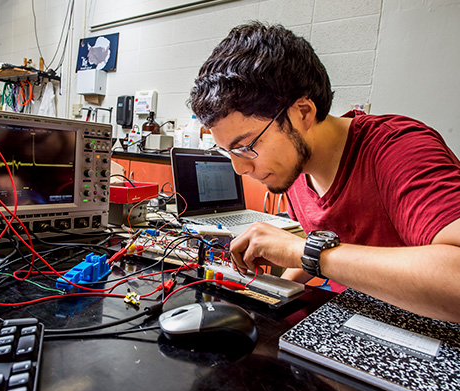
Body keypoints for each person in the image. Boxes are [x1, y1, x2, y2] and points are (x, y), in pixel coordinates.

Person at [188, 21, 460, 322]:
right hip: (358, 319)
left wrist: (305, 250)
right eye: (229, 152)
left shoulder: (399, 149)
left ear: (302, 112)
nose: (240, 168)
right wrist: (275, 290)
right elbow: (327, 245)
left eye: (247, 145)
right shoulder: (293, 166)